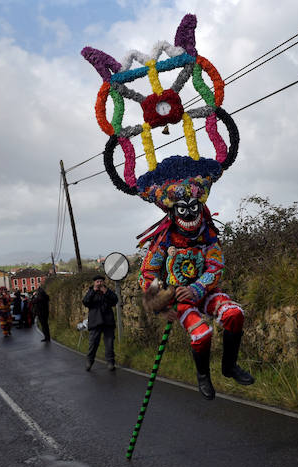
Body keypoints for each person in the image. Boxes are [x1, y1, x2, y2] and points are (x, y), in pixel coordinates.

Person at [81, 13, 254, 400]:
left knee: (234, 314)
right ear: (171, 212)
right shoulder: (162, 243)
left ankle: (229, 365)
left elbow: (216, 266)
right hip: (180, 300)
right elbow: (147, 275)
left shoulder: (207, 236)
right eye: (181, 208)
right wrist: (164, 294)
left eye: (193, 205)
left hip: (202, 293)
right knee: (201, 332)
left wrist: (198, 288)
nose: (188, 212)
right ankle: (203, 376)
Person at [83, 275, 118, 371]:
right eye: (97, 282)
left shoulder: (107, 291)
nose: (99, 283)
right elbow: (85, 302)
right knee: (93, 344)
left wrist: (106, 292)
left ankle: (111, 362)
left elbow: (115, 300)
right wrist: (93, 291)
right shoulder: (91, 292)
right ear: (94, 283)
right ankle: (90, 361)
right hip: (95, 322)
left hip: (108, 322)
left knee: (109, 344)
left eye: (101, 281)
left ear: (103, 282)